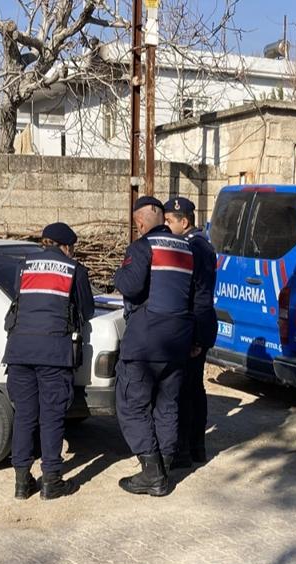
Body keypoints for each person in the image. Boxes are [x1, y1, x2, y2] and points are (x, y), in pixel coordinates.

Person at [4, 222, 94, 501]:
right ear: (66, 246)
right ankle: (51, 480)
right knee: (52, 415)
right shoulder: (73, 269)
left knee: (25, 416)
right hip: (54, 352)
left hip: (19, 350)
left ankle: (21, 483)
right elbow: (87, 309)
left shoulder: (24, 265)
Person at [114, 196, 196, 497]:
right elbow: (197, 297)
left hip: (146, 342)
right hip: (178, 341)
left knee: (131, 405)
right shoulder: (187, 248)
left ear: (139, 222)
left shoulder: (142, 247)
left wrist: (118, 275)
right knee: (167, 405)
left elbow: (131, 286)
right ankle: (163, 466)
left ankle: (152, 473)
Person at [164, 196, 216, 466]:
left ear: (184, 222)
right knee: (193, 390)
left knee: (186, 392)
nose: (166, 224)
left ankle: (185, 451)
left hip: (196, 325)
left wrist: (195, 337)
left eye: (169, 221)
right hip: (198, 324)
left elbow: (200, 295)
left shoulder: (195, 248)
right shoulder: (197, 245)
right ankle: (195, 448)